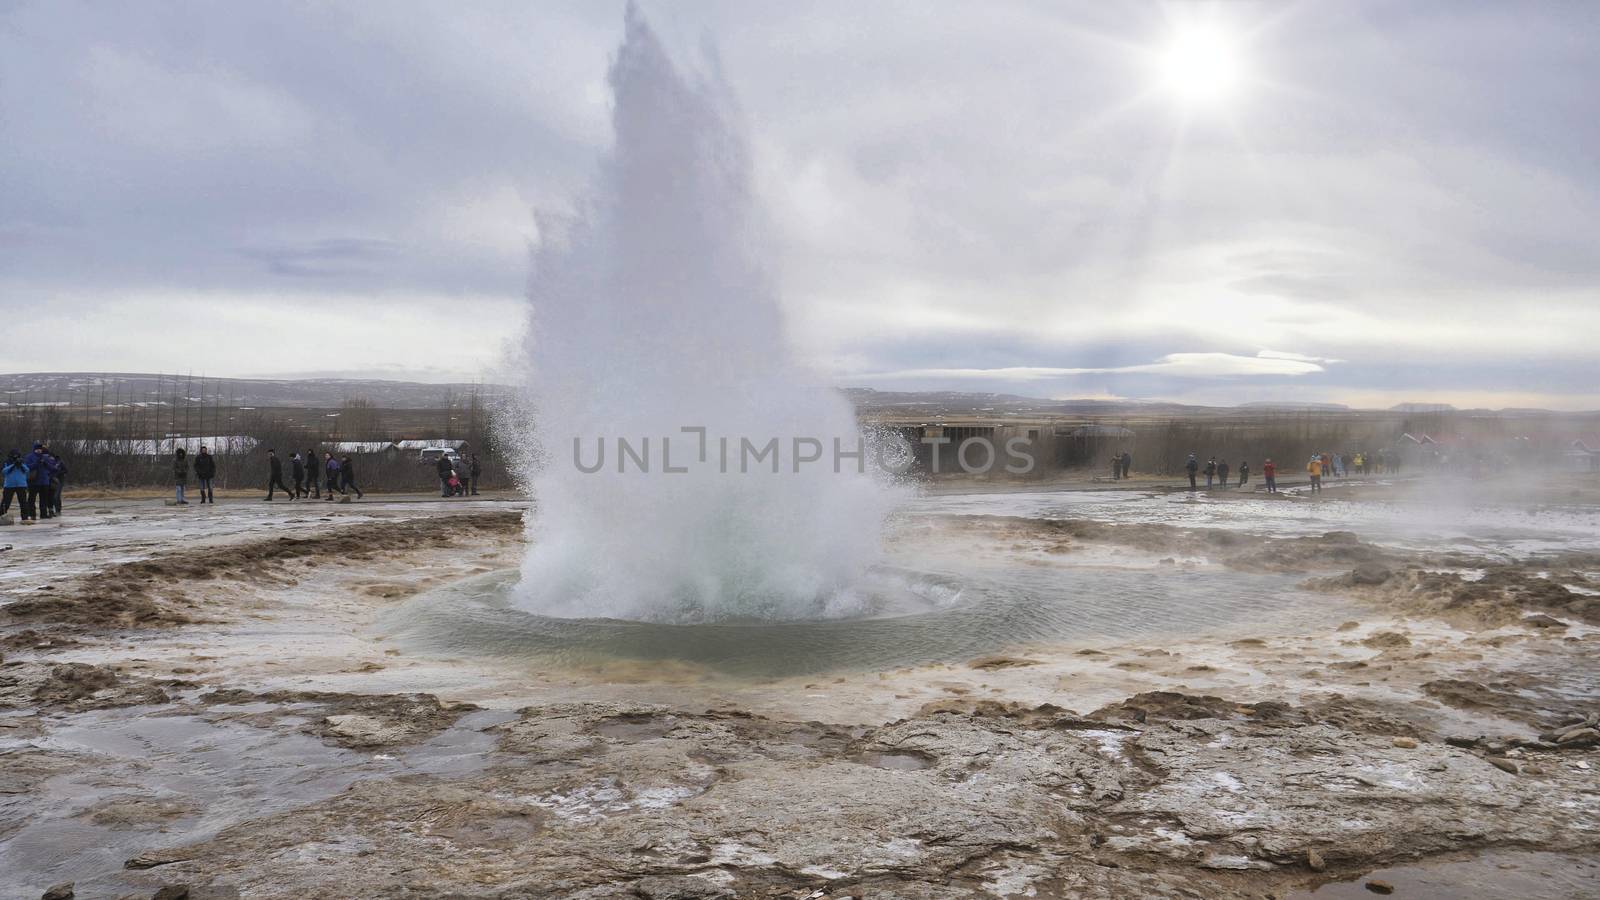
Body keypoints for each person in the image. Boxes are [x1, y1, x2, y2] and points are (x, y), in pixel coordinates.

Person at [23, 443, 53, 520]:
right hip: (33, 481)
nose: (39, 450)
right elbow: (26, 467)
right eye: (37, 449)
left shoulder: (45, 457)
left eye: (40, 449)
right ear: (34, 449)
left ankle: (43, 514)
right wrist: (36, 463)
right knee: (31, 499)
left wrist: (45, 463)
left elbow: (52, 468)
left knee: (44, 499)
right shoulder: (29, 457)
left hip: (44, 482)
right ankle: (32, 514)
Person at [2, 450, 32, 522]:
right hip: (9, 485)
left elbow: (27, 470)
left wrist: (20, 464)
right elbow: (4, 471)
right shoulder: (7, 462)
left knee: (23, 502)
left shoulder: (22, 462)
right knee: (5, 502)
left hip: (21, 485)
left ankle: (25, 518)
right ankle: (2, 516)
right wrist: (13, 465)